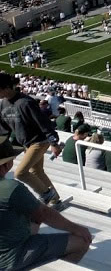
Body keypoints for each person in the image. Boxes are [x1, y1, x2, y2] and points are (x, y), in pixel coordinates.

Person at [0, 136, 92, 270]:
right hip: (10, 258)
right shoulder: (11, 188)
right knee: (81, 242)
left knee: (33, 217)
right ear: (6, 164)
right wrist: (78, 229)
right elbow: (44, 214)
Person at [0, 72, 63, 208]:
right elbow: (3, 128)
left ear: (5, 88)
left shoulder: (26, 102)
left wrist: (54, 143)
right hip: (27, 144)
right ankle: (55, 201)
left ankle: (46, 194)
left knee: (20, 173)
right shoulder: (3, 104)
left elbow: (44, 123)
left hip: (39, 141)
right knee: (37, 171)